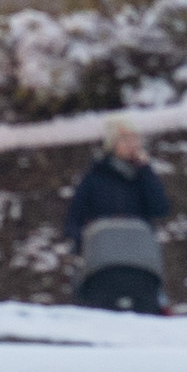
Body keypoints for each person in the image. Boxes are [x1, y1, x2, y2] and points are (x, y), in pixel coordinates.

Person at [63, 119, 170, 313]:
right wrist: (83, 243)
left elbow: (160, 208)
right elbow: (73, 219)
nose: (132, 144)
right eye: (125, 139)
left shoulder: (143, 177)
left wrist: (145, 170)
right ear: (112, 144)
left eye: (135, 138)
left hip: (138, 259)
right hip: (103, 260)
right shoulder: (94, 178)